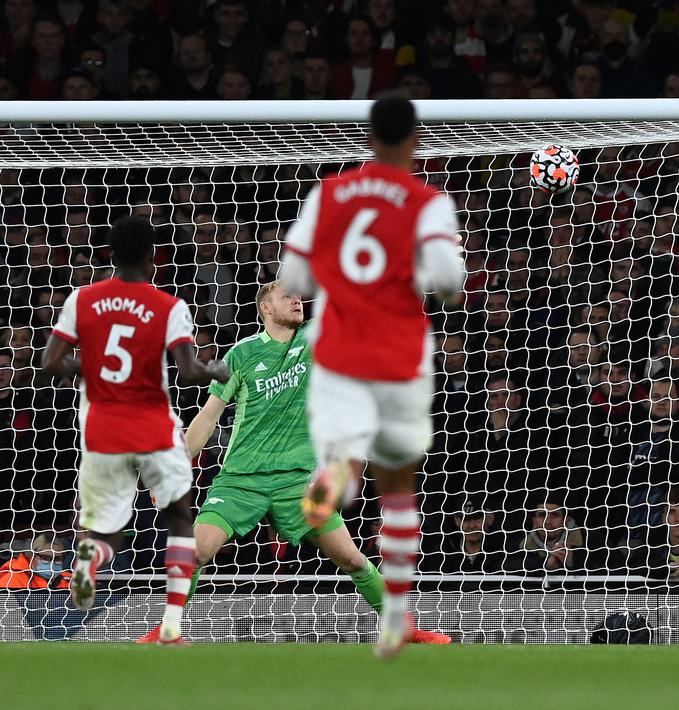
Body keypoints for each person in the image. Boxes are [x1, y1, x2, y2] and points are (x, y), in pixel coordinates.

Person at [133, 281, 436, 643]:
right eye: (286, 297)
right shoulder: (242, 354)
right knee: (196, 552)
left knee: (353, 560)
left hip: (297, 482)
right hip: (241, 480)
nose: (296, 300)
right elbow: (209, 414)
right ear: (265, 307)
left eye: (298, 296)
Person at [279, 95, 465, 658]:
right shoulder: (427, 202)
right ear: (414, 141)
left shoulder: (328, 196)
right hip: (398, 359)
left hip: (337, 355)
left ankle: (337, 476)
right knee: (400, 487)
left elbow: (294, 275)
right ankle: (397, 617)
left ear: (367, 139)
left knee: (345, 461)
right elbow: (448, 280)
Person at [40, 216, 230, 645]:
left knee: (106, 530)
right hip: (152, 428)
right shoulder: (169, 306)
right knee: (180, 516)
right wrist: (215, 369)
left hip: (102, 429)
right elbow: (188, 371)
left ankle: (89, 558)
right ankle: (171, 625)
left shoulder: (81, 299)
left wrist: (90, 369)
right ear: (152, 258)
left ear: (109, 254)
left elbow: (50, 364)